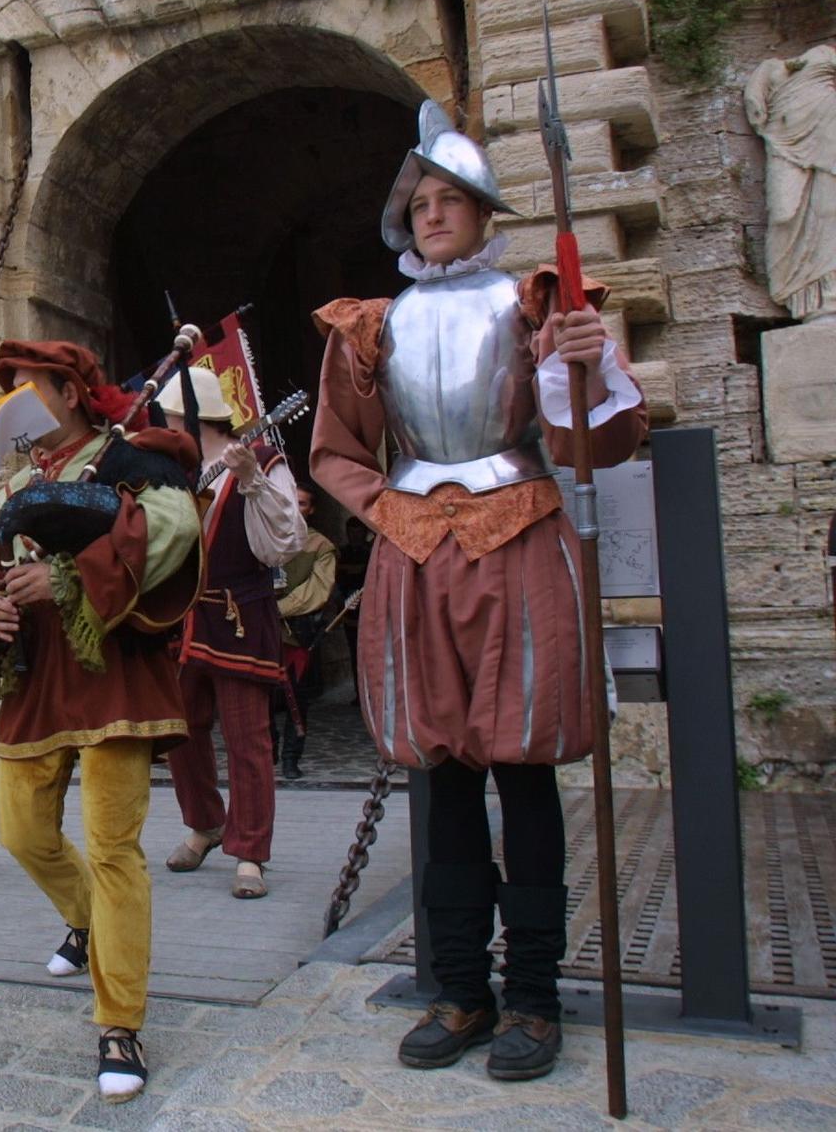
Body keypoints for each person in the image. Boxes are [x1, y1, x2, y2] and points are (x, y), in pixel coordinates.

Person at [310, 101, 646, 1082]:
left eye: (451, 199)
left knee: (523, 765)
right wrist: (386, 511)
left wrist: (581, 369)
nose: (431, 212)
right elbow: (335, 451)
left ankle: (533, 998)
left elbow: (595, 441)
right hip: (414, 550)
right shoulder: (371, 328)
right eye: (420, 199)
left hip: (519, 534)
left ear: (484, 213)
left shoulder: (535, 306)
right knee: (442, 773)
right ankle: (458, 986)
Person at [0, 341, 202, 1104]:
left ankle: (119, 1021)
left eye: (27, 388)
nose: (15, 407)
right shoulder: (16, 484)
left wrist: (65, 576)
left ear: (67, 389)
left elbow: (171, 534)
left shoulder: (135, 459)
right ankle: (88, 922)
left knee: (113, 848)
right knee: (20, 832)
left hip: (113, 676)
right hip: (37, 677)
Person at [161, 366, 307, 899]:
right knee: (181, 730)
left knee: (248, 738)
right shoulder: (170, 467)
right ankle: (205, 824)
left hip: (240, 615)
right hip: (182, 619)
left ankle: (249, 851)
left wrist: (250, 481)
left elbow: (285, 543)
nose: (166, 424)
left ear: (195, 417)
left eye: (173, 417)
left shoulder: (263, 460)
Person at [273, 484, 337, 780]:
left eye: (302, 503)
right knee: (260, 699)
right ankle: (268, 752)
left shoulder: (321, 546)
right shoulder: (265, 538)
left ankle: (290, 758)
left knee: (296, 700)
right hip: (264, 632)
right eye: (291, 501)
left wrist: (277, 609)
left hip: (297, 633)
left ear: (310, 509)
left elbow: (318, 590)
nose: (296, 508)